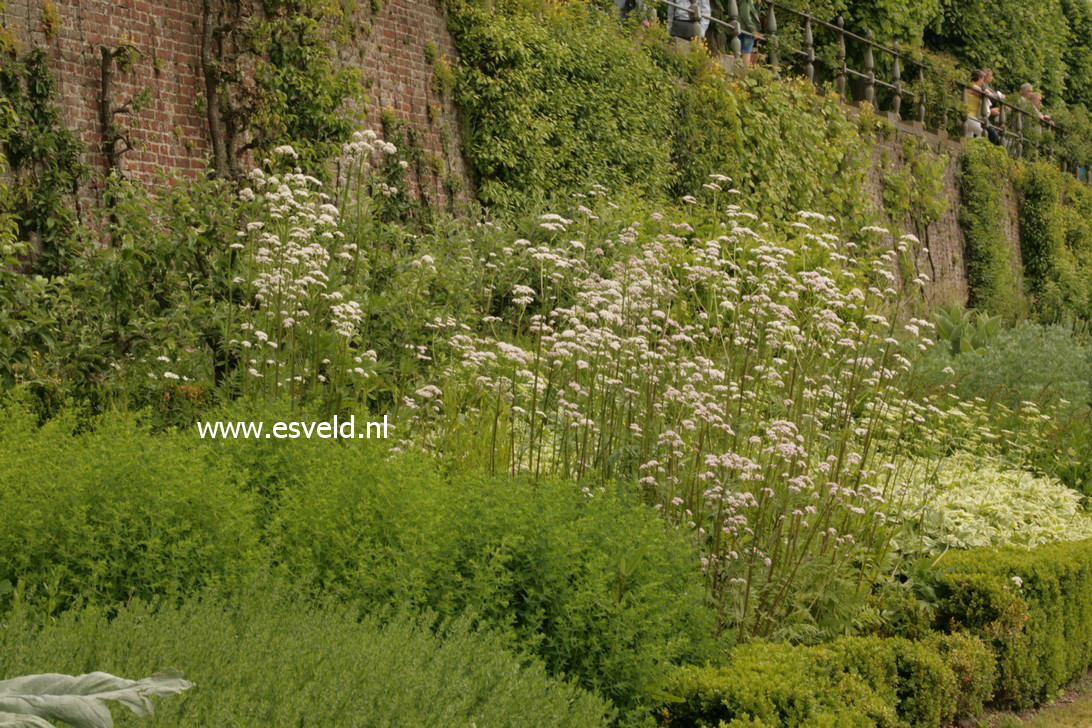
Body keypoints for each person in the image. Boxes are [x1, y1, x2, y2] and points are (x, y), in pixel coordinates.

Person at [737, 0, 762, 67]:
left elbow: (752, 13)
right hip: (747, 30)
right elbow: (746, 16)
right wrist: (753, 30)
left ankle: (740, 72)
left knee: (741, 51)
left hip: (745, 28)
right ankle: (744, 74)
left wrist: (758, 4)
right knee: (746, 51)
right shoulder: (745, 1)